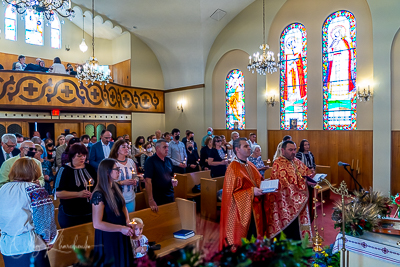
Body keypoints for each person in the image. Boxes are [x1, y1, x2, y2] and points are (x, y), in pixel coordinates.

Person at [0, 157, 57, 267]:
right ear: (35, 171)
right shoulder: (35, 190)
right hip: (30, 245)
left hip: (8, 246)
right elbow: (44, 220)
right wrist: (48, 240)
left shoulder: (3, 189)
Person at [219, 138, 266, 250]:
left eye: (249, 146)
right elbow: (231, 195)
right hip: (239, 211)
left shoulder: (250, 164)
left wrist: (266, 185)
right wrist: (251, 192)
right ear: (237, 149)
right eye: (245, 146)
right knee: (245, 239)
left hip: (254, 208)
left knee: (254, 236)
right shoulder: (233, 168)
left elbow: (259, 180)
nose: (249, 148)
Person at [265, 140, 314, 242]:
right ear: (283, 150)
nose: (293, 152)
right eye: (290, 150)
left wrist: (310, 178)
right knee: (288, 230)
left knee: (297, 229)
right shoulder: (278, 164)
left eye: (294, 149)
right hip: (284, 204)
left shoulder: (296, 161)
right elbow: (285, 185)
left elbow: (306, 173)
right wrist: (304, 183)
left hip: (298, 203)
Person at [91, 159, 134, 267]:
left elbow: (123, 206)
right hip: (108, 238)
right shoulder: (98, 194)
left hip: (121, 232)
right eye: (116, 169)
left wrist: (127, 221)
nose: (119, 171)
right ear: (107, 172)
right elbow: (97, 224)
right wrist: (121, 228)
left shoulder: (116, 187)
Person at [55, 143, 97, 228]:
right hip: (70, 213)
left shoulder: (90, 168)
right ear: (72, 156)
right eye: (79, 156)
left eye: (84, 156)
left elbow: (98, 184)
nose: (83, 158)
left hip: (89, 211)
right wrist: (78, 194)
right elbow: (58, 193)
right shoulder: (64, 170)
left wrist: (95, 193)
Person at [144, 140, 178, 212]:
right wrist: (151, 199)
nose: (167, 149)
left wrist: (173, 181)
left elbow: (171, 176)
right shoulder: (150, 161)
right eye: (164, 147)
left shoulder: (169, 160)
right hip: (157, 196)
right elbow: (147, 181)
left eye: (167, 147)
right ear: (157, 148)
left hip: (169, 194)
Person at [109, 140, 138, 213]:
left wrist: (135, 180)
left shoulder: (130, 161)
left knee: (131, 218)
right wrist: (121, 182)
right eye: (123, 147)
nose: (127, 148)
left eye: (128, 147)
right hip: (117, 198)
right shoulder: (112, 163)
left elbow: (135, 175)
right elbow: (107, 182)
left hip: (130, 197)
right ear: (117, 149)